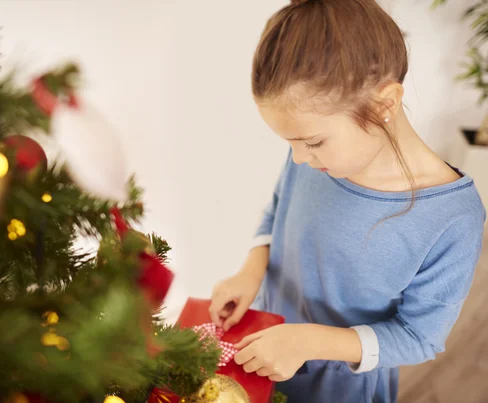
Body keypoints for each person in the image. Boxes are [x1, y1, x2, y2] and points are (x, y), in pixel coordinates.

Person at [208, 1, 486, 402]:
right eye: (290, 143)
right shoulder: (313, 159)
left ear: (383, 104)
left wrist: (308, 342)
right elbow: (278, 209)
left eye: (313, 142)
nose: (300, 158)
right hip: (259, 356)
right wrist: (250, 272)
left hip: (339, 389)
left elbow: (419, 338)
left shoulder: (450, 216)